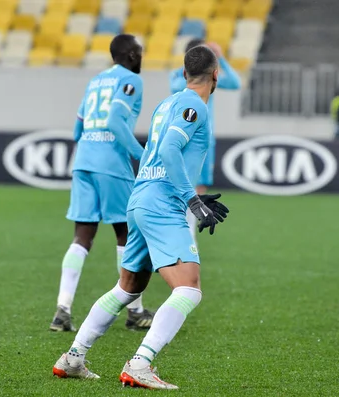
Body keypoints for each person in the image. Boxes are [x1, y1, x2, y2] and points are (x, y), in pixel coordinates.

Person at [52, 45, 230, 390]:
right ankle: (140, 363)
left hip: (140, 199)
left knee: (128, 287)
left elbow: (155, 152)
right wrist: (191, 199)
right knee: (189, 288)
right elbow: (166, 151)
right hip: (162, 205)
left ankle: (73, 357)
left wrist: (189, 192)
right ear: (216, 74)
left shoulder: (167, 104)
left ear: (183, 73)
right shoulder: (196, 106)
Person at [49, 34, 154, 333]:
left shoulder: (95, 81)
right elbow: (115, 121)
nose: (142, 57)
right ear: (132, 55)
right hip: (111, 165)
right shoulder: (132, 80)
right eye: (140, 52)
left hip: (84, 161)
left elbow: (77, 127)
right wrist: (142, 155)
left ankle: (62, 310)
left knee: (82, 238)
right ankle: (134, 311)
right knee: (127, 234)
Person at [169, 39, 240, 243]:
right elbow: (177, 88)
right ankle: (184, 238)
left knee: (200, 188)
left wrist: (222, 59)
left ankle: (188, 237)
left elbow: (235, 83)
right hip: (185, 138)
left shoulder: (210, 77)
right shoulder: (180, 76)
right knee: (184, 187)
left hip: (204, 140)